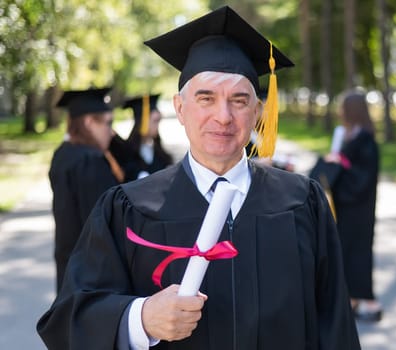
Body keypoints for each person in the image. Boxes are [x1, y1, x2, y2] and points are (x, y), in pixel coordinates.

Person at [37, 6, 360, 350]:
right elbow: (69, 319)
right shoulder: (129, 209)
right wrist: (139, 318)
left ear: (256, 112)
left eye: (239, 100)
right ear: (180, 108)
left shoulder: (301, 202)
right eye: (206, 98)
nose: (223, 117)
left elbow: (335, 323)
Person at [48, 87, 123, 292]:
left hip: (69, 263)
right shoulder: (89, 162)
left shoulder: (63, 154)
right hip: (93, 272)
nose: (111, 131)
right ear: (89, 122)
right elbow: (106, 221)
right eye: (108, 123)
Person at [321, 91, 381, 322]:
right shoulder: (349, 135)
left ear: (352, 110)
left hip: (360, 208)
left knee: (359, 254)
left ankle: (372, 304)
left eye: (343, 107)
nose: (340, 112)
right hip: (348, 206)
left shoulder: (365, 140)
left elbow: (362, 178)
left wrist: (341, 164)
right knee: (347, 252)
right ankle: (353, 301)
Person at [118, 94, 174, 180]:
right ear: (142, 121)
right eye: (155, 121)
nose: (157, 125)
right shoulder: (125, 153)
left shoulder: (161, 155)